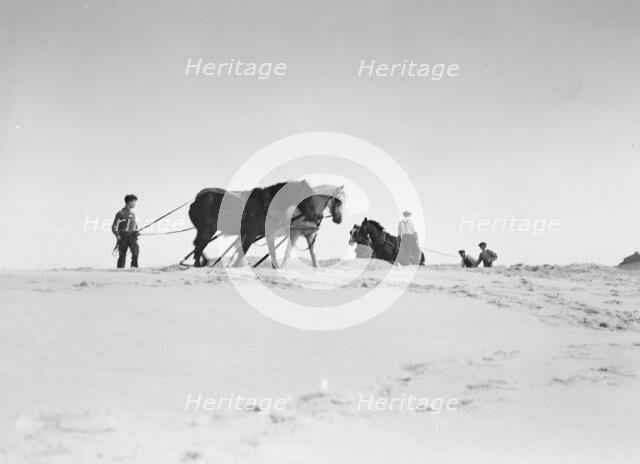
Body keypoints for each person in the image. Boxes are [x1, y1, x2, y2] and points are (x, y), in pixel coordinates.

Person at [112, 194, 139, 268]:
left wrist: (136, 232)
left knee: (135, 253)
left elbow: (134, 226)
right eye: (134, 202)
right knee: (122, 256)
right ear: (129, 202)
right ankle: (120, 272)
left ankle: (134, 269)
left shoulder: (133, 214)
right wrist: (118, 236)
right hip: (123, 237)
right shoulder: (120, 213)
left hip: (132, 237)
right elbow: (114, 226)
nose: (135, 204)